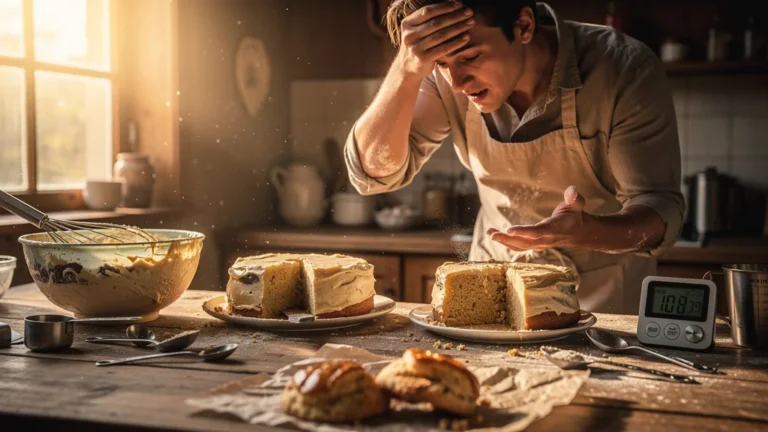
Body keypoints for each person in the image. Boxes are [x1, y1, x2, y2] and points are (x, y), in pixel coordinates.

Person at [343, 0, 684, 314]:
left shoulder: (622, 68)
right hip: (492, 291)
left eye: (471, 57)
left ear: (523, 25)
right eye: (440, 63)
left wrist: (582, 231)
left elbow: (659, 214)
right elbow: (374, 173)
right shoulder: (445, 78)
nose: (457, 82)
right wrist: (407, 69)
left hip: (600, 303)